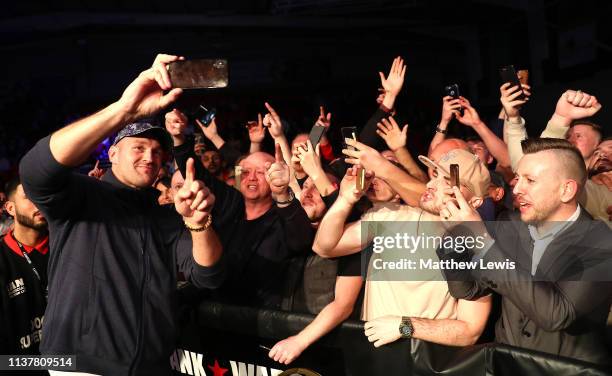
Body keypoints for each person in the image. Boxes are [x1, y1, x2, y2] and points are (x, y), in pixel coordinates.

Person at [19, 54, 225, 376]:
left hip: (152, 367)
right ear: (112, 153)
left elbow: (208, 275)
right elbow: (35, 170)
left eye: (158, 152)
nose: (150, 157)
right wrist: (123, 110)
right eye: (139, 147)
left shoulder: (167, 216)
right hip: (80, 366)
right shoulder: (83, 195)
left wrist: (199, 225)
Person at [438, 138, 612, 366]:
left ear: (567, 190)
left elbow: (556, 314)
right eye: (518, 178)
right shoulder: (509, 225)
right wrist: (456, 238)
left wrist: (481, 239)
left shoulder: (601, 242)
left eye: (530, 180)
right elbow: (468, 289)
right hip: (505, 366)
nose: (517, 188)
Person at [313, 143, 492, 348]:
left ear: (476, 202)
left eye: (448, 182)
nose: (433, 184)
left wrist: (404, 327)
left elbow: (469, 332)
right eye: (435, 175)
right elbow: (324, 247)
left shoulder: (479, 248)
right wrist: (346, 199)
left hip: (426, 362)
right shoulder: (391, 215)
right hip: (374, 357)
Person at [0, 176, 49, 365]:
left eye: (41, 194)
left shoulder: (67, 246)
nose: (38, 201)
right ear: (10, 208)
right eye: (28, 196)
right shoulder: (3, 259)